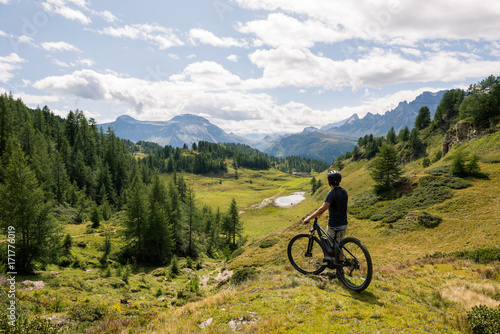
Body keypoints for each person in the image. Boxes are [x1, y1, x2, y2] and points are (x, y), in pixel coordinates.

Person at [303, 170, 348, 245]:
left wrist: (309, 218)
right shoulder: (344, 191)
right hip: (344, 223)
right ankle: (339, 257)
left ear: (329, 182)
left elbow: (322, 209)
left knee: (332, 246)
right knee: (338, 246)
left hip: (334, 225)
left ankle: (334, 256)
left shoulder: (332, 193)